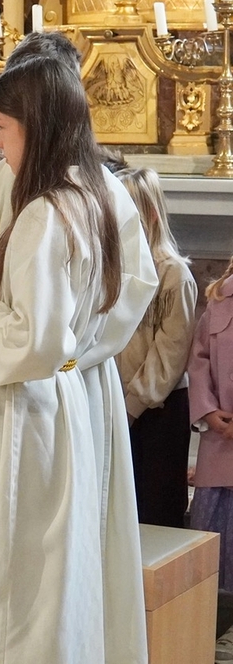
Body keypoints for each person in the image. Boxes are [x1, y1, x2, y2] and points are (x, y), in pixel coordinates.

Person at [0, 50, 155, 663]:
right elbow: (114, 297)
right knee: (55, 569)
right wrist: (76, 351)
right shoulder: (93, 194)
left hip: (19, 401)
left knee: (0, 571)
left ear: (36, 122)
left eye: (1, 127)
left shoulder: (44, 212)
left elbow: (32, 339)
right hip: (66, 389)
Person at [115, 167, 197, 528]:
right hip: (115, 402)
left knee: (155, 509)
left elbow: (170, 354)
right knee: (118, 509)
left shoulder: (174, 274)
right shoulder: (111, 269)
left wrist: (131, 406)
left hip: (157, 409)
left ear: (148, 213)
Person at [188, 254, 233, 591]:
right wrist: (207, 411)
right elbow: (198, 360)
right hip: (218, 439)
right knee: (209, 530)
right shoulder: (219, 299)